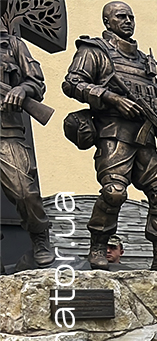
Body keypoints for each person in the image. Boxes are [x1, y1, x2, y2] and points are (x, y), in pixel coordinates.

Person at [62, 1, 157, 271]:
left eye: (131, 16)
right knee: (114, 193)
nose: (128, 21)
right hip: (114, 134)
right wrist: (112, 98)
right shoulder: (95, 50)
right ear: (108, 22)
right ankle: (98, 247)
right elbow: (72, 83)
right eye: (121, 16)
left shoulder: (144, 61)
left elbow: (153, 105)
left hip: (145, 138)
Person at [0, 27, 52, 269]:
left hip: (6, 130)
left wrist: (22, 89)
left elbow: (37, 83)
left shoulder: (13, 45)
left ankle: (40, 236)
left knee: (25, 191)